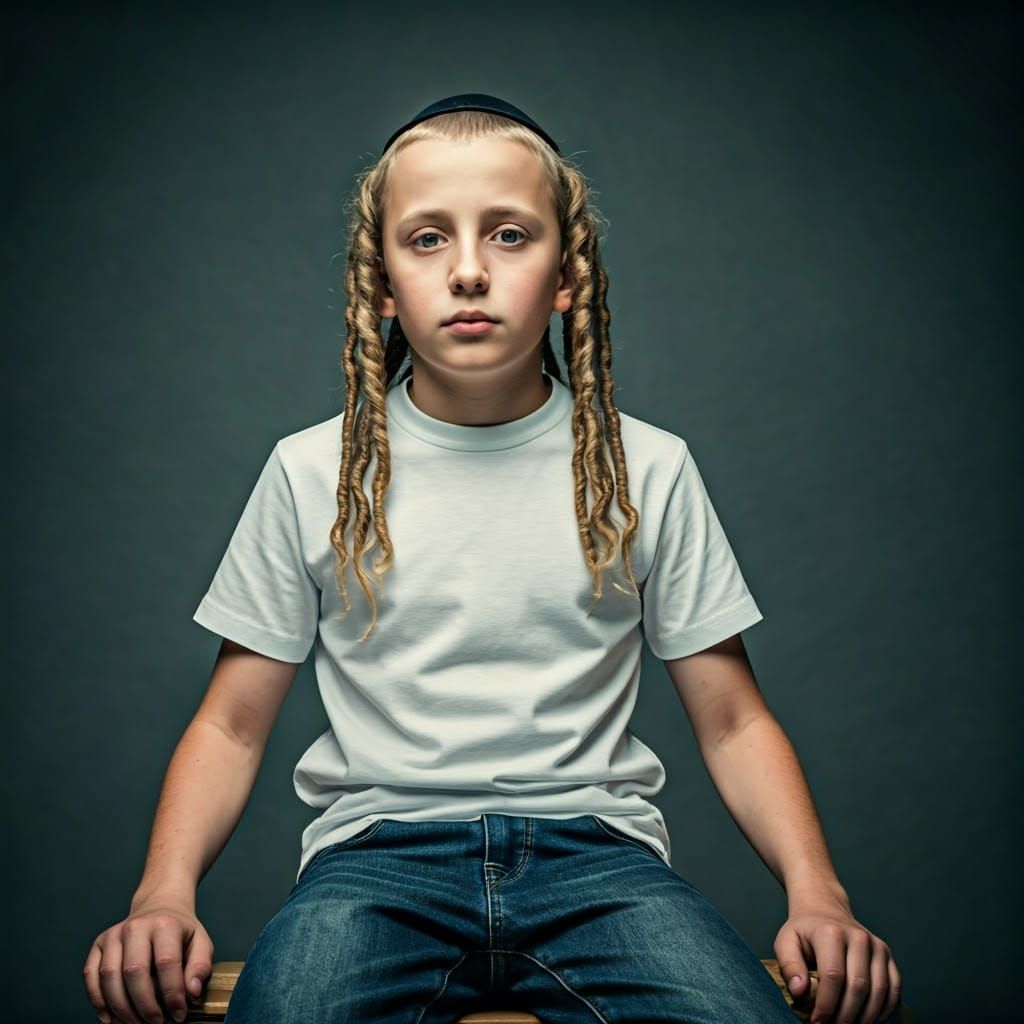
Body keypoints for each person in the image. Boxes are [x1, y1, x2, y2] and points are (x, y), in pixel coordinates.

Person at [83, 93, 903, 1024]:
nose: (468, 271)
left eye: (509, 236)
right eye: (428, 239)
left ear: (566, 277)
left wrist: (818, 894)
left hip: (600, 863)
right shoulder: (311, 471)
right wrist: (163, 895)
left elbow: (731, 723)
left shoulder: (650, 469)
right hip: (374, 864)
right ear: (381, 283)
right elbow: (230, 725)